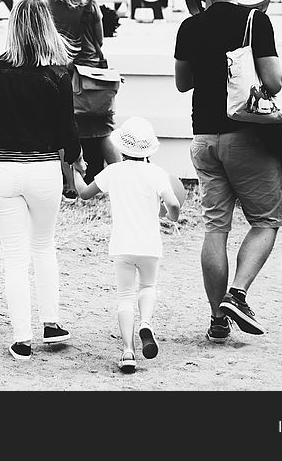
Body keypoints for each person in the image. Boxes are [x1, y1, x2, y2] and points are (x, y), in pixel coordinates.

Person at [174, 0, 282, 341]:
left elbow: (182, 83)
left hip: (204, 139)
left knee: (215, 229)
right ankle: (237, 294)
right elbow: (274, 81)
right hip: (246, 137)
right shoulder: (256, 21)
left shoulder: (189, 26)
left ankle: (217, 320)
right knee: (266, 221)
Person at [0, 0, 85, 361]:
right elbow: (68, 134)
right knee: (44, 246)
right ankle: (51, 322)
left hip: (3, 170)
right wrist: (79, 162)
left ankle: (22, 337)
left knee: (14, 257)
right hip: (45, 170)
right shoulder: (59, 74)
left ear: (13, 27)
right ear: (47, 28)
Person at [73, 117, 180, 373]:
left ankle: (128, 351)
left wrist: (76, 172)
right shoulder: (157, 174)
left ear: (122, 147)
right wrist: (170, 216)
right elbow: (174, 204)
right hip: (150, 245)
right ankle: (145, 322)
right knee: (148, 286)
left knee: (124, 297)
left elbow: (85, 193)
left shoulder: (114, 171)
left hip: (122, 245)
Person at [44, 0, 121, 200]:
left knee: (64, 133)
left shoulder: (48, 6)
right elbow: (99, 39)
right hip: (93, 78)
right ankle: (123, 180)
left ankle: (69, 187)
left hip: (62, 77)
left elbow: (46, 43)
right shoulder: (89, 4)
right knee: (103, 133)